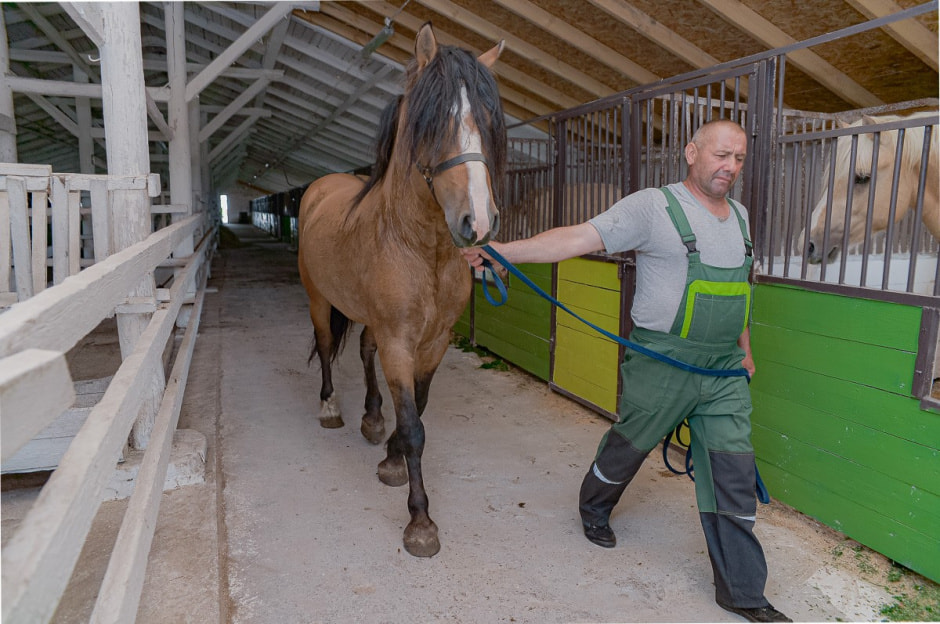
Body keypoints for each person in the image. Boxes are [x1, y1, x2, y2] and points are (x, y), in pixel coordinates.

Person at [461, 119, 791, 623]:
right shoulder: (653, 207)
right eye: (721, 155)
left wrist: (745, 349)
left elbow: (739, 291)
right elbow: (577, 237)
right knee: (631, 444)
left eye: (739, 158)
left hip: (723, 369)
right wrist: (503, 252)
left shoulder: (741, 217)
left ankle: (743, 592)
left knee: (734, 471)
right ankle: (594, 505)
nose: (731, 166)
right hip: (663, 359)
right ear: (692, 153)